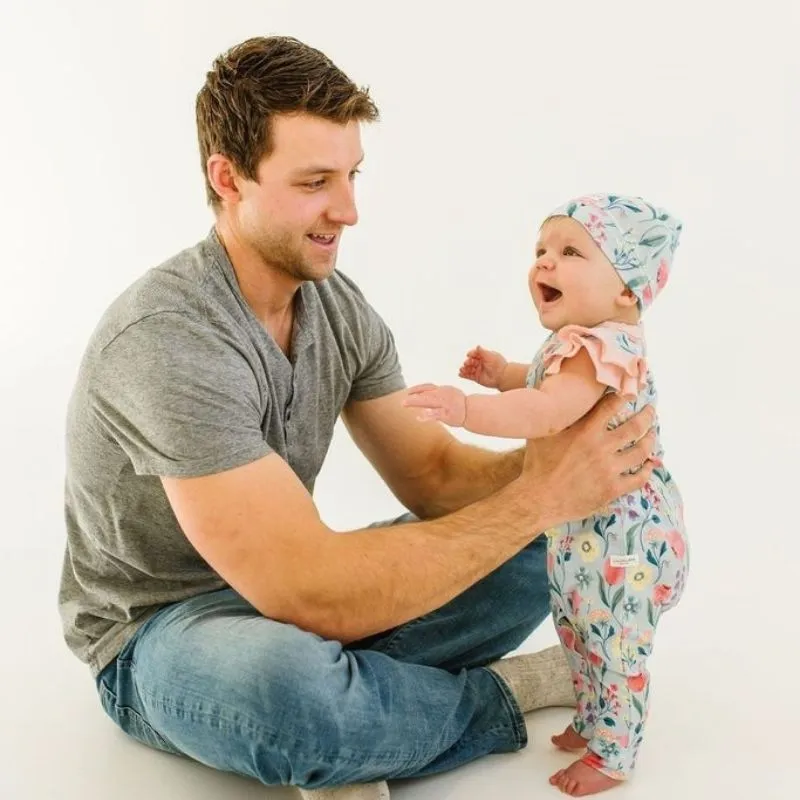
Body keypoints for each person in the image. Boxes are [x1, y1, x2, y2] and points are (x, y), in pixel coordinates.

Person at [58, 37, 658, 800]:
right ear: (228, 178)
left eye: (351, 176)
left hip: (298, 597)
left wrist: (570, 468)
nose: (348, 211)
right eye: (315, 182)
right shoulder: (168, 338)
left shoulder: (337, 309)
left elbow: (436, 475)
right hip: (163, 635)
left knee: (554, 544)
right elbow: (305, 592)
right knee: (290, 695)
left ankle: (368, 715)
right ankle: (483, 698)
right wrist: (541, 496)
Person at [403, 194, 689, 796]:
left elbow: (547, 408)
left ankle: (615, 754)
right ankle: (593, 719)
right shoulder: (581, 343)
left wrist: (468, 409)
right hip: (586, 530)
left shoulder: (603, 348)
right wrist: (504, 370)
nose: (544, 264)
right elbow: (541, 383)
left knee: (612, 641)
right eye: (540, 250)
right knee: (578, 628)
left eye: (570, 251)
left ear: (627, 292)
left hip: (623, 541)